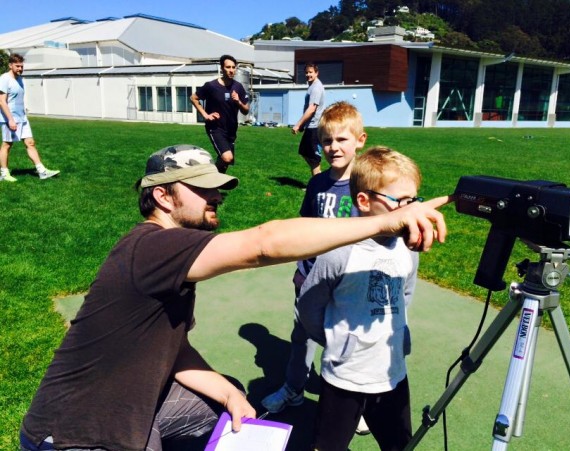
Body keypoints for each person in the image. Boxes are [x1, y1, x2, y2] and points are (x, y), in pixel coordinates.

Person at [19, 144, 449, 450]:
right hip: (77, 429)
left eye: (218, 187)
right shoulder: (152, 246)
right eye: (202, 188)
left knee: (228, 400)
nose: (217, 195)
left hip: (134, 401)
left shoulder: (170, 255)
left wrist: (227, 394)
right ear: (162, 197)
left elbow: (174, 350)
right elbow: (264, 244)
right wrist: (382, 223)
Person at [297, 146, 426, 451]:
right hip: (345, 376)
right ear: (364, 201)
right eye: (400, 202)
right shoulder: (339, 251)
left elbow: (405, 294)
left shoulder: (408, 249)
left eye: (414, 200)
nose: (410, 210)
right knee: (328, 444)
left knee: (399, 444)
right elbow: (309, 304)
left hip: (392, 373)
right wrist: (336, 341)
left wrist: (396, 334)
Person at [261, 101, 366, 415]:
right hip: (311, 278)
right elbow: (305, 227)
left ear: (360, 140)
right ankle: (294, 388)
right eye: (327, 141)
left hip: (349, 282)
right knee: (302, 336)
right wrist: (300, 269)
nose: (333, 147)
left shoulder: (370, 185)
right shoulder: (317, 183)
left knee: (346, 344)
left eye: (342, 139)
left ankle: (350, 405)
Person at [0, 53, 59, 182]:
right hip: (9, 119)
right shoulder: (4, 79)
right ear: (10, 65)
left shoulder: (20, 79)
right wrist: (10, 119)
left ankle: (42, 171)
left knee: (30, 143)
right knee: (7, 145)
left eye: (21, 66)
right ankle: (4, 174)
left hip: (22, 117)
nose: (20, 69)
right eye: (17, 66)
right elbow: (2, 101)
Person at [190, 54, 249, 173]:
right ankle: (209, 177)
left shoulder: (238, 87)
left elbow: (246, 110)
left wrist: (238, 101)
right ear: (222, 68)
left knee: (225, 163)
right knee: (227, 157)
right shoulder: (211, 86)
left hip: (231, 130)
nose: (231, 70)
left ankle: (213, 184)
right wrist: (205, 115)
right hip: (216, 127)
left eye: (233, 67)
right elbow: (193, 98)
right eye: (228, 67)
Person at [292, 62, 325, 176]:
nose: (308, 74)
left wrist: (298, 124)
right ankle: (316, 181)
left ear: (316, 73)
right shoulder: (312, 86)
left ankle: (318, 184)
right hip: (310, 126)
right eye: (306, 72)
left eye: (310, 72)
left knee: (313, 158)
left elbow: (311, 109)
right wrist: (303, 125)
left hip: (314, 127)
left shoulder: (316, 88)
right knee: (305, 152)